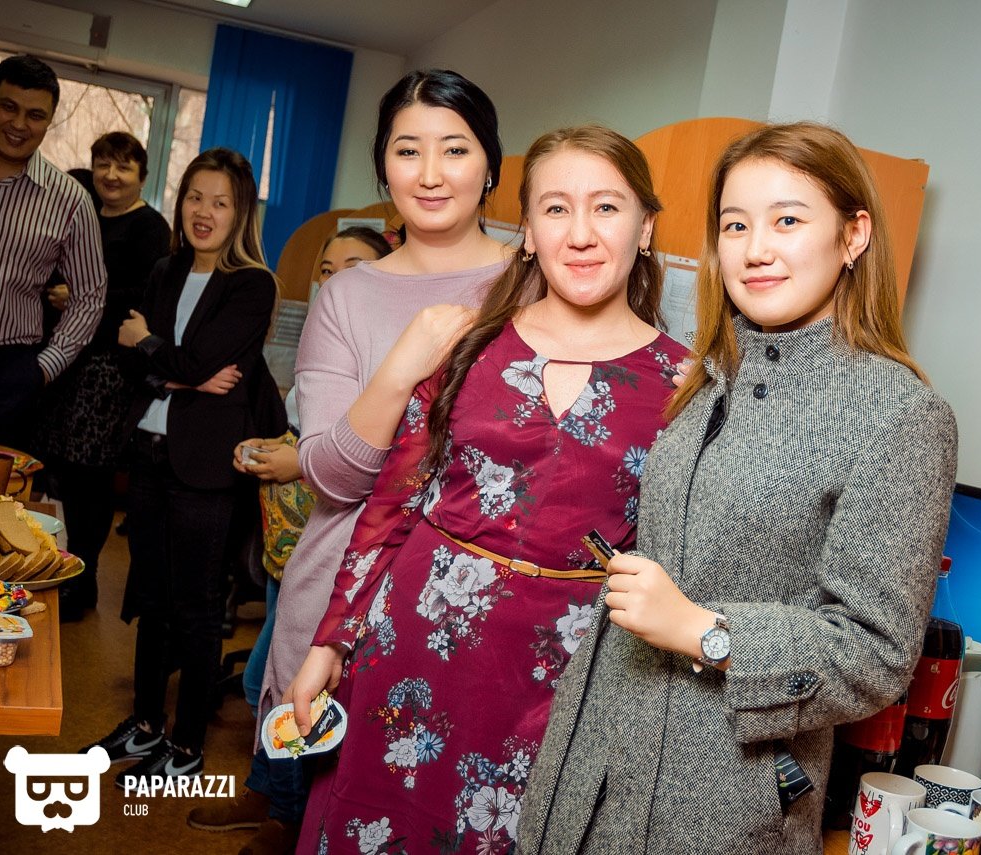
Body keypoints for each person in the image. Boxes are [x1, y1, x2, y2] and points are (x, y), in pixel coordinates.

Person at [518, 122, 959, 854]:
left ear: (853, 235)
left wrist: (705, 630)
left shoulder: (900, 413)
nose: (755, 249)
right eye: (735, 225)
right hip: (597, 759)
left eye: (787, 220)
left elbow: (877, 653)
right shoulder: (706, 378)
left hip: (726, 799)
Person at [286, 124, 684, 855]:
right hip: (413, 646)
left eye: (606, 207)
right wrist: (332, 640)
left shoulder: (687, 385)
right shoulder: (467, 344)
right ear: (527, 231)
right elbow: (394, 504)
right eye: (556, 209)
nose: (581, 234)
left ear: (646, 227)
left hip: (565, 679)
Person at [185, 70, 509, 855]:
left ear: (491, 165)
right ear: (383, 166)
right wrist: (401, 366)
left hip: (474, 605)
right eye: (407, 149)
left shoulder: (530, 284)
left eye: (455, 149)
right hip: (342, 599)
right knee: (320, 808)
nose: (430, 173)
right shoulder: (347, 297)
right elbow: (334, 473)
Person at [80, 147, 287, 788]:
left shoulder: (252, 284)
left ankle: (188, 743)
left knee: (196, 608)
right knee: (152, 597)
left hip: (203, 469)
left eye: (220, 202)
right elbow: (140, 364)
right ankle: (145, 723)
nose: (204, 212)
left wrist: (153, 347)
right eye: (195, 197)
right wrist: (179, 374)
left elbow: (176, 356)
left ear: (239, 213)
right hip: (148, 454)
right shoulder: (165, 268)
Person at [233, 228, 395, 721]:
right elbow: (306, 426)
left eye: (353, 267)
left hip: (329, 541)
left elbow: (370, 453)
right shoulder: (325, 335)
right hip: (286, 543)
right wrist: (275, 446)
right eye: (326, 270)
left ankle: (278, 770)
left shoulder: (388, 353)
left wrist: (297, 463)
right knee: (270, 665)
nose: (335, 281)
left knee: (275, 684)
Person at [35, 132, 172, 621]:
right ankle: (60, 570)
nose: (111, 175)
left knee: (89, 480)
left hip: (109, 369)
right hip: (66, 359)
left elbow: (143, 295)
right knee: (61, 473)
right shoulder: (82, 212)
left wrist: (80, 297)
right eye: (103, 164)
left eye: (124, 167)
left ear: (142, 176)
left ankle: (84, 579)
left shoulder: (150, 227)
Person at [0, 53, 106, 449]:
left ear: (50, 120)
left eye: (35, 115)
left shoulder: (71, 201)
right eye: (9, 107)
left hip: (5, 378)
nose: (19, 124)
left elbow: (90, 296)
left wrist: (44, 368)